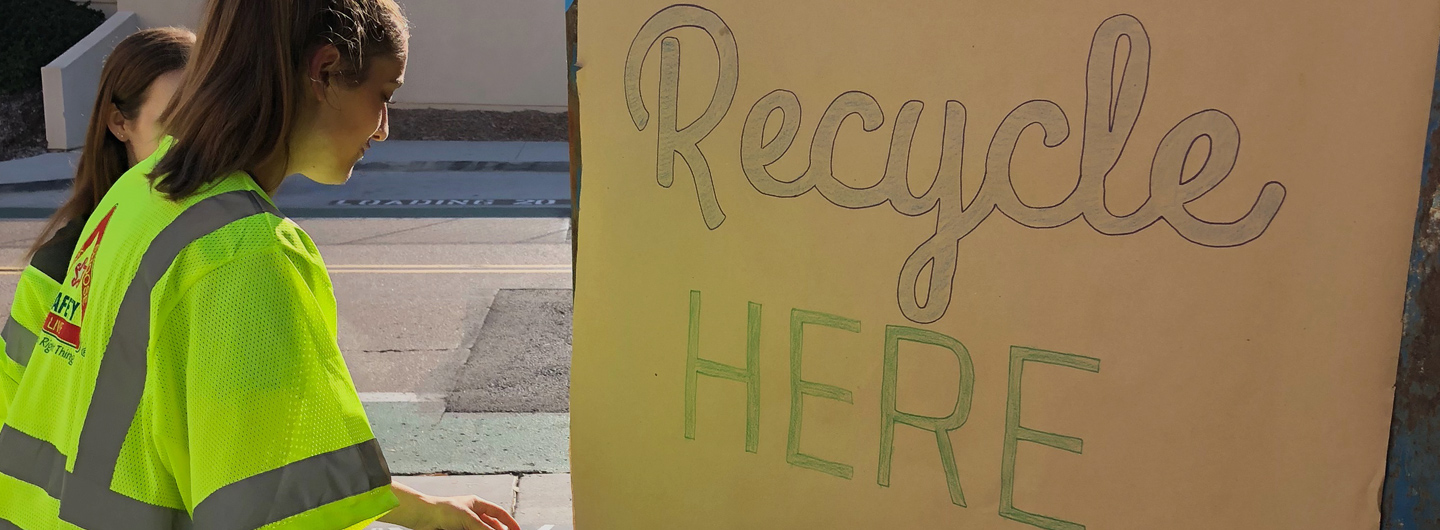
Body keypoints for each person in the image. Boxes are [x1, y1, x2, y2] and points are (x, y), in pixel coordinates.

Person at [0, 1, 520, 529]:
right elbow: (280, 513)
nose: (383, 127)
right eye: (383, 95)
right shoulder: (244, 252)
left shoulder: (136, 194)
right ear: (323, 71)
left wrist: (422, 511)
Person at [2, 26, 192, 428]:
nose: (194, 141)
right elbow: (11, 398)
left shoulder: (230, 243)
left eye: (211, 116)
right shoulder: (63, 262)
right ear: (120, 124)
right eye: (176, 121)